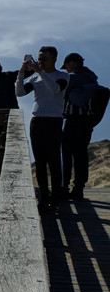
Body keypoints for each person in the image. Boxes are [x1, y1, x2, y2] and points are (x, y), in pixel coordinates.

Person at [15, 46, 68, 210]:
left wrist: (39, 71)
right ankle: (44, 198)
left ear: (54, 59)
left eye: (44, 59)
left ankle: (55, 198)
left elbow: (55, 89)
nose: (40, 62)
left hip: (54, 121)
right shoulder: (35, 78)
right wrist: (21, 73)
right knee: (40, 162)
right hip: (37, 120)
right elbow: (19, 92)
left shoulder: (63, 76)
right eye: (38, 59)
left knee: (54, 161)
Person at [61, 52, 99, 200]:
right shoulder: (92, 79)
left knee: (66, 154)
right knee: (81, 154)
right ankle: (78, 188)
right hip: (87, 120)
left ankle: (64, 187)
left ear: (72, 63)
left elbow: (59, 93)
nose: (66, 69)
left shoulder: (72, 77)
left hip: (72, 119)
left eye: (67, 66)